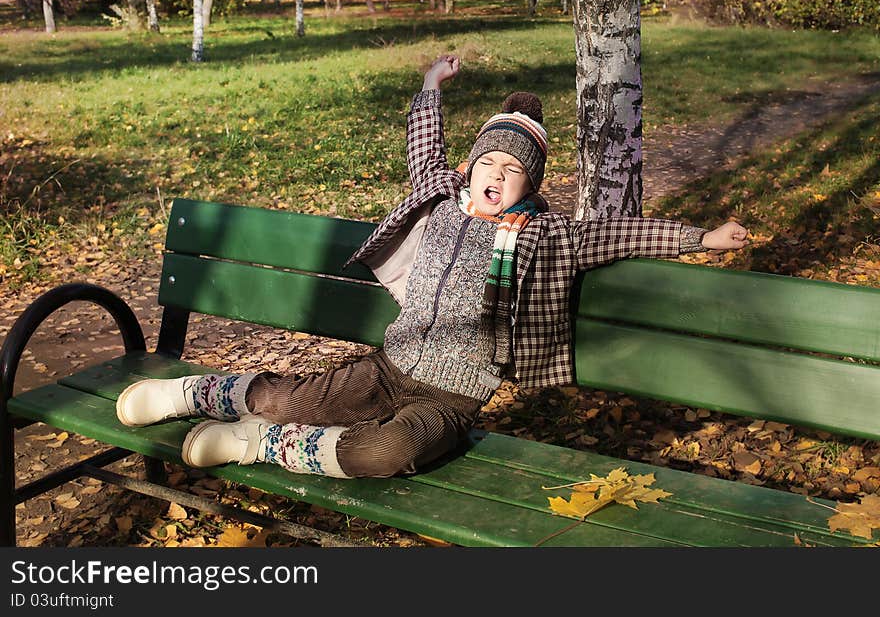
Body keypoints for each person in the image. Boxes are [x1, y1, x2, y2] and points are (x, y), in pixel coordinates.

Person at [115, 54, 750, 479]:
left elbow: (618, 233)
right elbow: (425, 148)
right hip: (392, 366)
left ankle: (262, 444)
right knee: (294, 396)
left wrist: (702, 236)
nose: (496, 177)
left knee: (390, 451)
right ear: (470, 169)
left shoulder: (546, 236)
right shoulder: (441, 199)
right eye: (488, 165)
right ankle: (193, 394)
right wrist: (430, 89)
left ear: (529, 185)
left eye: (513, 171)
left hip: (457, 395)